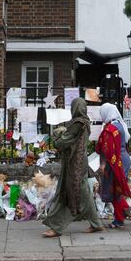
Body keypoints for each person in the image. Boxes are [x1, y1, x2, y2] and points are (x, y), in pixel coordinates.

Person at [42, 97, 104, 237]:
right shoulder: (85, 122)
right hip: (79, 162)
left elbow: (62, 142)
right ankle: (96, 224)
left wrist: (57, 135)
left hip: (74, 164)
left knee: (69, 193)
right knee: (83, 194)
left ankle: (56, 227)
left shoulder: (78, 123)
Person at [96, 103, 131, 228]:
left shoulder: (110, 129)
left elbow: (107, 150)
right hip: (123, 160)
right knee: (117, 189)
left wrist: (102, 165)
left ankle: (121, 216)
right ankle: (124, 210)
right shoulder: (120, 125)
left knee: (115, 190)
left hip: (115, 163)